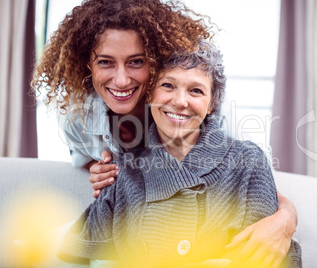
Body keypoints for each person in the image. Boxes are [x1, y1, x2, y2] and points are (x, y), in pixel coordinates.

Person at [32, 0, 298, 265]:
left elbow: (254, 176)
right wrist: (107, 171)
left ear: (154, 63)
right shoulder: (77, 118)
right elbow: (91, 165)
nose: (122, 80)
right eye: (105, 62)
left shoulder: (216, 117)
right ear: (87, 64)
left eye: (136, 61)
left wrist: (285, 218)